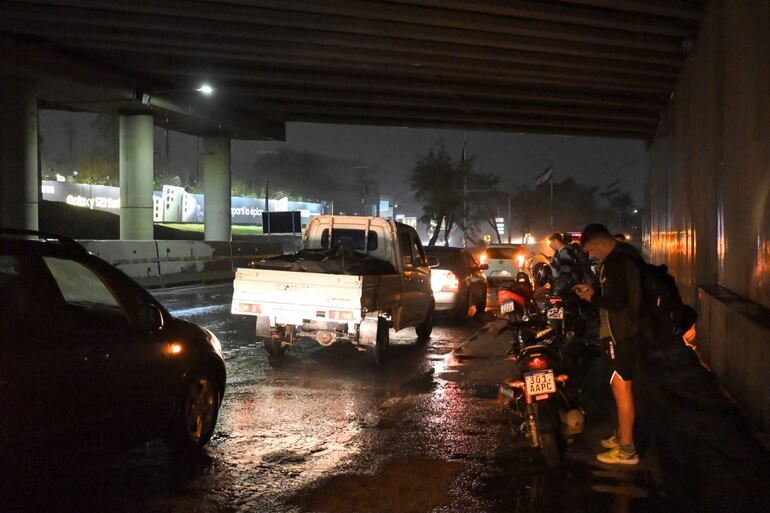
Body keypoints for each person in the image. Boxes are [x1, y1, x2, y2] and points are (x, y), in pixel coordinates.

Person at [573, 223, 643, 465]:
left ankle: (627, 449)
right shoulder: (627, 255)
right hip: (625, 331)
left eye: (591, 250)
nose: (591, 256)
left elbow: (617, 301)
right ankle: (621, 435)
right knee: (620, 387)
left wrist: (592, 296)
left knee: (621, 388)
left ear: (600, 241)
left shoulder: (615, 263)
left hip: (619, 334)